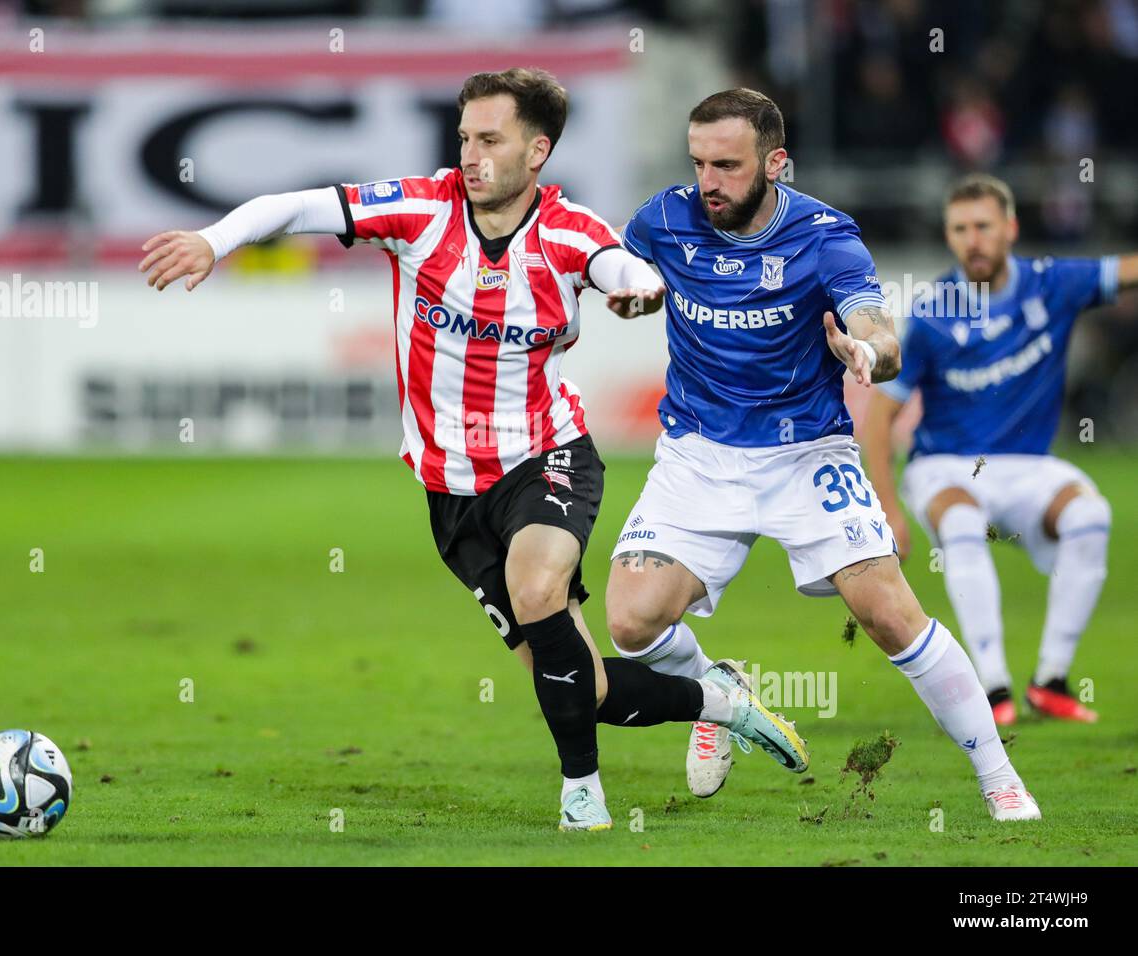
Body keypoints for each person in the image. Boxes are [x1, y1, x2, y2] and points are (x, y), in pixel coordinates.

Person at [139, 68, 806, 831]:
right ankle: (718, 700)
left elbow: (618, 267)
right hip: (450, 490)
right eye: (464, 138)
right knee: (580, 688)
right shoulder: (420, 211)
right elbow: (297, 204)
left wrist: (640, 288)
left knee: (537, 586)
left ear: (538, 149)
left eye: (491, 139)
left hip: (545, 456)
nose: (471, 155)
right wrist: (212, 239)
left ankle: (581, 796)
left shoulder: (566, 230)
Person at [602, 89, 1039, 820]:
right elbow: (620, 271)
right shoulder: (665, 218)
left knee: (890, 614)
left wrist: (865, 349)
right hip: (699, 454)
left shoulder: (825, 235)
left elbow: (880, 330)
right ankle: (720, 695)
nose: (709, 181)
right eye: (700, 162)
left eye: (729, 165)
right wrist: (634, 294)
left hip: (807, 452)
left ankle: (1000, 778)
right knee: (630, 622)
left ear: (775, 162)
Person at [863, 173, 1137, 726]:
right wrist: (887, 508)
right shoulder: (933, 313)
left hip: (1028, 466)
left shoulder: (1052, 283)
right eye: (960, 229)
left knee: (1091, 514)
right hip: (944, 466)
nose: (973, 240)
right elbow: (879, 417)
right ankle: (993, 689)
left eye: (983, 226)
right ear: (948, 236)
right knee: (962, 523)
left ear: (1010, 229)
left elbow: (1127, 271)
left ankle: (1051, 680)